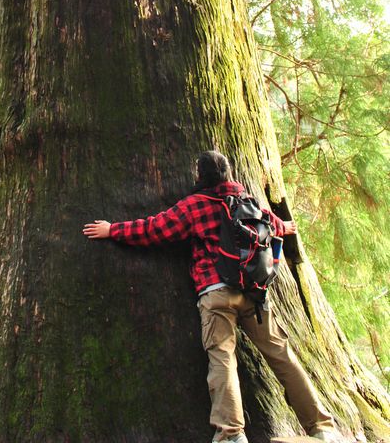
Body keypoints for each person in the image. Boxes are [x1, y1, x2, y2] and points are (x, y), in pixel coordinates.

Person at [83, 150, 339, 443]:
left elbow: (155, 229)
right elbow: (271, 224)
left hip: (216, 293)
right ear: (227, 173)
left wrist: (112, 229)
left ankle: (231, 435)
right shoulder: (247, 199)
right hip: (254, 293)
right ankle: (322, 427)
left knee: (222, 359)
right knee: (282, 355)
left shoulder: (195, 206)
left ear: (199, 175)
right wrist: (287, 227)